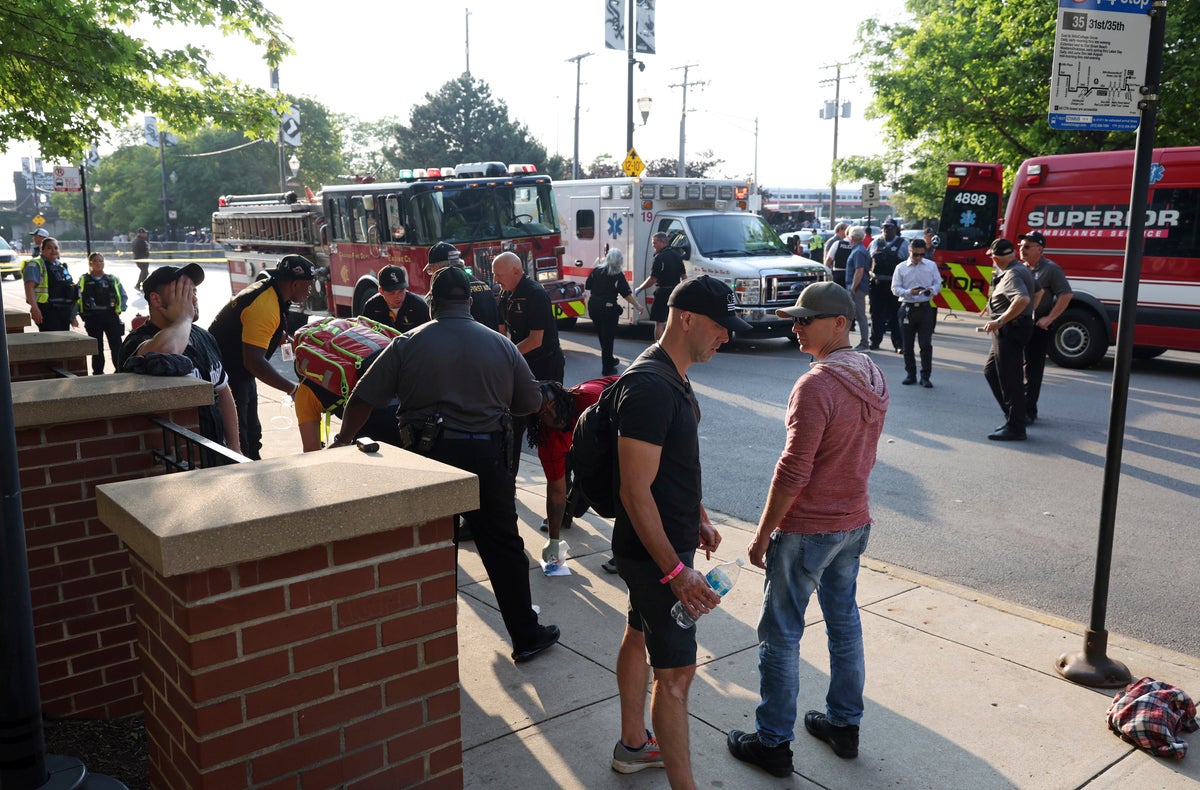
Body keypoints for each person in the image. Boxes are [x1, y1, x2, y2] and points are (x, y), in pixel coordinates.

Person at [334, 265, 561, 663]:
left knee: (434, 550)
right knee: (503, 547)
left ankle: (429, 646)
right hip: (487, 459)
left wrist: (342, 441)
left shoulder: (407, 343)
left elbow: (362, 396)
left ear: (433, 302)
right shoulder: (501, 345)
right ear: (470, 302)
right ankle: (525, 635)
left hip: (428, 459)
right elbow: (529, 403)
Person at [727, 281, 890, 777]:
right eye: (794, 319)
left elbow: (793, 471)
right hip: (853, 521)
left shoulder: (817, 383)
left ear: (839, 323)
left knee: (780, 635)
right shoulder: (872, 374)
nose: (795, 328)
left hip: (808, 528)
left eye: (805, 320)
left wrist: (761, 536)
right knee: (844, 624)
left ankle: (773, 742)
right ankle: (844, 725)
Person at [609, 276, 751, 786]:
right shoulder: (649, 386)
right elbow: (634, 491)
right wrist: (676, 572)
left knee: (636, 632)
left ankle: (632, 745)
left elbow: (673, 468)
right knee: (676, 677)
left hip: (660, 547)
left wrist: (700, 516)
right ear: (686, 318)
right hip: (655, 556)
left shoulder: (675, 376)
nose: (727, 336)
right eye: (719, 326)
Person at [118, 264, 240, 453]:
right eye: (183, 292)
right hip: (174, 459)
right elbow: (165, 351)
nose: (194, 298)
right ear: (156, 300)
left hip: (214, 452)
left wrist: (234, 446)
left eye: (194, 291)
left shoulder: (203, 336)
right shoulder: (138, 341)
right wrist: (184, 319)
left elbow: (222, 391)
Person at [208, 255, 315, 459]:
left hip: (238, 371)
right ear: (295, 284)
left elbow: (258, 327)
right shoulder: (265, 305)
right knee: (241, 440)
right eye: (308, 285)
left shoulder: (270, 289)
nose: (310, 291)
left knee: (252, 433)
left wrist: (283, 338)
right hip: (229, 375)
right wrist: (292, 388)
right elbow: (254, 362)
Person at [528, 376, 619, 562]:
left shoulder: (591, 400)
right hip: (592, 442)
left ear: (563, 399)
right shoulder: (549, 440)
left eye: (553, 405)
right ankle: (572, 510)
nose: (552, 416)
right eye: (544, 414)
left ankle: (627, 550)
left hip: (625, 416)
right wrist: (553, 540)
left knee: (624, 489)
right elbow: (556, 491)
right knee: (585, 476)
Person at [494, 250, 565, 472]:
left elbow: (535, 340)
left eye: (499, 275)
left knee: (551, 424)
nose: (495, 280)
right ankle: (509, 481)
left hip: (546, 367)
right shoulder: (505, 294)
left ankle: (563, 477)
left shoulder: (535, 294)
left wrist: (507, 357)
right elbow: (501, 332)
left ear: (517, 271)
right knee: (514, 424)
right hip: (522, 367)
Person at [981, 238, 1038, 441]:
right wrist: (993, 308)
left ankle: (1016, 426)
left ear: (996, 258)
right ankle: (1013, 416)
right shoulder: (1019, 268)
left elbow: (1023, 299)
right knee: (991, 371)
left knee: (1010, 379)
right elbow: (1038, 292)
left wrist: (1001, 319)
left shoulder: (1012, 274)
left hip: (1010, 330)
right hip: (1012, 327)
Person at [1019, 231, 1073, 424]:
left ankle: (1029, 411)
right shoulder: (1020, 267)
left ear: (1039, 249)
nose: (1021, 250)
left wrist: (1049, 318)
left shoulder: (1051, 269)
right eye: (1020, 246)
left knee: (1032, 369)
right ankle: (1016, 407)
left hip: (1038, 325)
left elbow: (1066, 294)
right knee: (1016, 367)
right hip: (1019, 323)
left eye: (1026, 246)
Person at [891, 238, 941, 387]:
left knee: (925, 344)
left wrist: (932, 290)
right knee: (907, 345)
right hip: (907, 308)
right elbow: (895, 288)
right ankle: (910, 374)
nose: (918, 258)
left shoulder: (931, 266)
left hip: (925, 308)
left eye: (921, 254)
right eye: (915, 255)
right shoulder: (901, 267)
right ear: (909, 251)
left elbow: (938, 283)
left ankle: (925, 376)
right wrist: (909, 292)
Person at [586, 247, 643, 375]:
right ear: (619, 261)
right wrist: (637, 305)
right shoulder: (617, 275)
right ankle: (607, 368)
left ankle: (609, 359)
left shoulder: (596, 270)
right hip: (608, 309)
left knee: (602, 335)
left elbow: (588, 286)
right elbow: (626, 294)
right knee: (608, 338)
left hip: (594, 306)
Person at [423, 241, 500, 331]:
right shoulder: (485, 287)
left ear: (436, 268)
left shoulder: (441, 293)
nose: (431, 275)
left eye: (430, 271)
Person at [77, 252, 128, 375]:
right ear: (90, 264)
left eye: (101, 261)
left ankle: (120, 370)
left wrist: (120, 308)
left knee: (117, 346)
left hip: (111, 317)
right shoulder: (84, 280)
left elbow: (123, 295)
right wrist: (75, 315)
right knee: (97, 348)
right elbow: (77, 298)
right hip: (92, 318)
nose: (98, 263)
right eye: (95, 261)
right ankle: (98, 372)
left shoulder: (112, 279)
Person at [634, 231, 687, 342]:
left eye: (655, 242)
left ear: (663, 242)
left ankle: (659, 346)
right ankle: (672, 344)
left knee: (659, 322)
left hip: (662, 292)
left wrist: (640, 288)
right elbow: (684, 276)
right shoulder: (677, 256)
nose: (653, 245)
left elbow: (653, 279)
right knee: (672, 320)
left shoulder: (659, 258)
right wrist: (683, 291)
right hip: (675, 292)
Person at [867, 218, 908, 351]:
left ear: (896, 229)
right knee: (876, 314)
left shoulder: (903, 244)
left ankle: (898, 344)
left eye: (889, 227)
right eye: (885, 227)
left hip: (894, 285)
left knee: (895, 316)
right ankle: (875, 341)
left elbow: (908, 266)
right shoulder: (875, 242)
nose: (886, 230)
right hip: (877, 284)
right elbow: (868, 260)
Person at [23, 236, 78, 331]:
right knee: (52, 341)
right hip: (47, 311)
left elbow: (71, 289)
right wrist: (35, 309)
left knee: (63, 342)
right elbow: (29, 287)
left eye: (56, 248)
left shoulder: (61, 266)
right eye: (49, 248)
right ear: (42, 249)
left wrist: (72, 316)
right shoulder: (35, 264)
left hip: (64, 311)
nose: (53, 250)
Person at [358, 264, 430, 332]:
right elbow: (364, 334)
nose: (398, 297)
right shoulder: (371, 306)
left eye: (401, 291)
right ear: (381, 291)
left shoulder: (418, 306)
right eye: (392, 293)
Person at [844, 226, 871, 350]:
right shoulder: (859, 249)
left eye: (849, 236)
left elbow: (859, 271)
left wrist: (853, 288)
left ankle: (864, 343)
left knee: (860, 315)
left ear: (853, 237)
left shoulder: (858, 251)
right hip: (857, 287)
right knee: (857, 315)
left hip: (857, 288)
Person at [824, 223, 851, 287]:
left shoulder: (843, 242)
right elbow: (827, 258)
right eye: (846, 229)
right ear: (841, 230)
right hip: (834, 272)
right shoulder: (833, 241)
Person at [132, 227, 151, 292]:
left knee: (144, 272)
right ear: (141, 233)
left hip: (139, 258)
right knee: (145, 272)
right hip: (142, 259)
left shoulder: (136, 240)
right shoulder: (141, 241)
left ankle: (139, 285)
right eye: (144, 233)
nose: (146, 234)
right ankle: (142, 286)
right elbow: (145, 250)